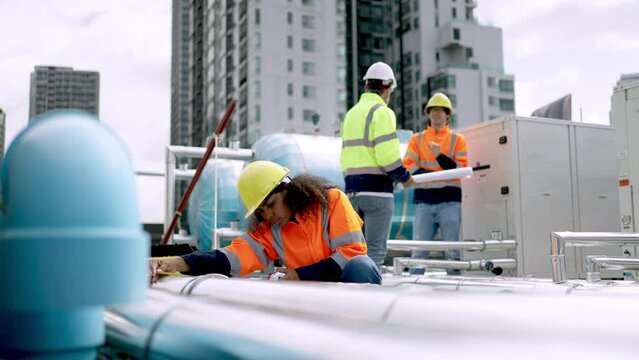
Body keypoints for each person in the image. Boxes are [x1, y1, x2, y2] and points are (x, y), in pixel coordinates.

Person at [150, 160, 382, 285]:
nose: (269, 215)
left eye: (271, 204)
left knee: (361, 264)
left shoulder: (332, 201)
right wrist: (172, 263)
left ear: (289, 190)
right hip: (312, 299)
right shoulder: (270, 232)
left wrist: (299, 275)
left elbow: (352, 253)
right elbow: (228, 258)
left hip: (351, 293)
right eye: (261, 212)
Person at [340, 61, 415, 269]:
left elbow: (345, 157)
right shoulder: (382, 112)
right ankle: (369, 297)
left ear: (367, 85)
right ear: (388, 87)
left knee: (353, 252)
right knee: (374, 253)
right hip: (377, 193)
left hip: (352, 193)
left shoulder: (351, 114)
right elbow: (387, 158)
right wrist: (404, 177)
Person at [402, 92, 468, 275]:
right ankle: (413, 294)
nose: (436, 114)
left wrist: (439, 155)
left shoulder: (458, 140)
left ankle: (455, 291)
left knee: (452, 253)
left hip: (450, 203)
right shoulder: (417, 139)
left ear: (448, 114)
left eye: (441, 110)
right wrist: (439, 173)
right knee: (419, 254)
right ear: (428, 114)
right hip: (424, 203)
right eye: (433, 110)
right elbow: (408, 166)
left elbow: (460, 169)